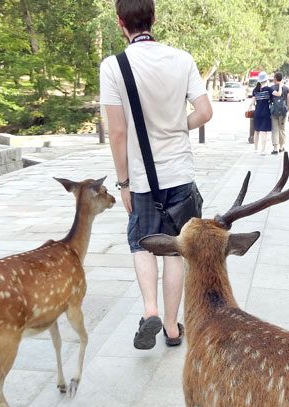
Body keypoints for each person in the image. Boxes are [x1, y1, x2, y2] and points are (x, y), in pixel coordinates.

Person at [99, 0, 213, 350]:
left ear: (121, 23)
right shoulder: (183, 59)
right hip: (180, 174)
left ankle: (149, 310)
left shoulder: (113, 66)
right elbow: (205, 112)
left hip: (142, 179)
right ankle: (172, 328)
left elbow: (117, 133)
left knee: (142, 243)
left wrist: (124, 184)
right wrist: (178, 126)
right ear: (154, 18)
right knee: (175, 251)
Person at [250, 71, 274, 154]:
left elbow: (253, 102)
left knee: (256, 131)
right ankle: (263, 150)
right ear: (266, 80)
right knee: (264, 132)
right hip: (266, 113)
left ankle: (255, 149)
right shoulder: (269, 89)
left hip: (257, 113)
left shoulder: (255, 90)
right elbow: (275, 96)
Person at [270, 72, 289, 155]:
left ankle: (275, 149)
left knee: (275, 129)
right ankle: (281, 147)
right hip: (283, 112)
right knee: (282, 129)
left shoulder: (271, 88)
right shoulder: (286, 88)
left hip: (274, 111)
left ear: (275, 78)